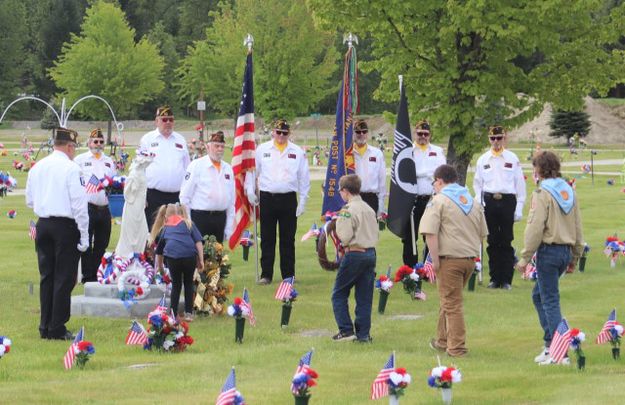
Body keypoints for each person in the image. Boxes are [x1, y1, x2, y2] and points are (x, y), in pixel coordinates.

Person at [515, 151, 583, 366]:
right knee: (539, 296)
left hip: (549, 251)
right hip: (564, 251)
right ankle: (549, 344)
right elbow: (578, 225)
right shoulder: (568, 191)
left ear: (539, 170)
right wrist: (576, 254)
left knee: (550, 301)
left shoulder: (542, 193)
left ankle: (559, 352)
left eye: (535, 167)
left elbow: (535, 228)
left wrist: (525, 257)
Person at [25, 128, 89, 340]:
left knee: (47, 276)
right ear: (69, 146)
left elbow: (30, 200)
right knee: (64, 277)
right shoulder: (72, 168)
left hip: (43, 223)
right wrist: (84, 234)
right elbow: (79, 205)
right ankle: (57, 326)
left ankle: (45, 325)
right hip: (65, 226)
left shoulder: (39, 166)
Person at [420, 164, 488, 357]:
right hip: (469, 259)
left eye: (434, 182)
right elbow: (483, 233)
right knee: (447, 300)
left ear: (439, 181)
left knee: (452, 304)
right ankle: (442, 341)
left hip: (449, 259)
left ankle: (456, 347)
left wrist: (434, 261)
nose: (434, 186)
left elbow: (430, 233)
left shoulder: (439, 201)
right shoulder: (471, 201)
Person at [245, 119, 311, 285]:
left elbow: (304, 178)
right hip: (267, 198)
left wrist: (303, 199)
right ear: (273, 132)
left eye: (285, 133)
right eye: (278, 132)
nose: (281, 136)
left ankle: (288, 274)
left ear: (289, 134)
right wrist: (249, 190)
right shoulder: (262, 149)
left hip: (288, 198)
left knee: (287, 239)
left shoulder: (297, 152)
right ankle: (266, 274)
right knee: (267, 238)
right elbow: (253, 172)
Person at [473, 125, 526, 290]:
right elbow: (477, 185)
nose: (496, 141)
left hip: (507, 201)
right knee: (492, 241)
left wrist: (519, 208)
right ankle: (494, 279)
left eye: (499, 138)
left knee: (506, 240)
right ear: (489, 139)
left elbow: (520, 186)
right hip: (489, 201)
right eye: (493, 138)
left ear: (504, 138)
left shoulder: (512, 158)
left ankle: (506, 280)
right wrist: (479, 203)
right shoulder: (483, 159)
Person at [331, 174, 378, 343]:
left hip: (355, 253)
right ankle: (363, 334)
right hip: (370, 253)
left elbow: (344, 236)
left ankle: (345, 330)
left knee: (339, 293)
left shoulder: (347, 211)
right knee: (364, 297)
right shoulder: (369, 208)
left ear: (345, 191)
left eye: (340, 191)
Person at [74, 128, 117, 283]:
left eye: (100, 142)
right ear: (89, 143)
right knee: (86, 243)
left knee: (101, 243)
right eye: (95, 141)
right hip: (88, 207)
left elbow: (113, 182)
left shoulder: (109, 161)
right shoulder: (80, 160)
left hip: (104, 207)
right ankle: (87, 276)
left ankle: (96, 274)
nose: (98, 144)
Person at [402, 120, 446, 267]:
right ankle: (410, 270)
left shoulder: (437, 151)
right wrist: (427, 174)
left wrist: (420, 174)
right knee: (409, 237)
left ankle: (428, 268)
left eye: (425, 134)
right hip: (412, 200)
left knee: (430, 234)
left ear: (430, 135)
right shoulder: (408, 151)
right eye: (420, 133)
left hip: (431, 200)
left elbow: (442, 174)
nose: (422, 137)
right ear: (415, 133)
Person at [151, 203, 204, 322]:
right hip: (189, 256)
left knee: (176, 285)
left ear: (165, 216)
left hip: (173, 257)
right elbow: (198, 242)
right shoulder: (189, 224)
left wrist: (161, 269)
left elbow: (159, 253)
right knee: (188, 283)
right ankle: (189, 313)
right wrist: (201, 260)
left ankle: (174, 314)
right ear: (182, 213)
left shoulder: (165, 228)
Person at [140, 106, 190, 230]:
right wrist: (142, 195)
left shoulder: (180, 140)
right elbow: (140, 169)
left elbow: (188, 169)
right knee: (154, 233)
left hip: (176, 197)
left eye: (171, 120)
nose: (168, 123)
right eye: (164, 119)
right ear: (156, 121)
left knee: (175, 231)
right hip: (153, 196)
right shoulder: (147, 139)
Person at [180, 131, 234, 243]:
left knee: (218, 257)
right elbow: (184, 197)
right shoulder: (196, 166)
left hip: (220, 218)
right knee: (200, 258)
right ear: (208, 147)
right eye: (216, 146)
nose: (220, 149)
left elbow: (231, 201)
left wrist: (229, 227)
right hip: (200, 219)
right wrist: (189, 223)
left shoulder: (228, 168)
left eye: (222, 146)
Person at [352, 119, 386, 216]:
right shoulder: (348, 154)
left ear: (367, 133)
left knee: (371, 230)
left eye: (364, 131)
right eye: (358, 132)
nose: (361, 134)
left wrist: (381, 204)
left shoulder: (377, 153)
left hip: (371, 198)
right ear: (353, 133)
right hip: (353, 198)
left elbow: (382, 180)